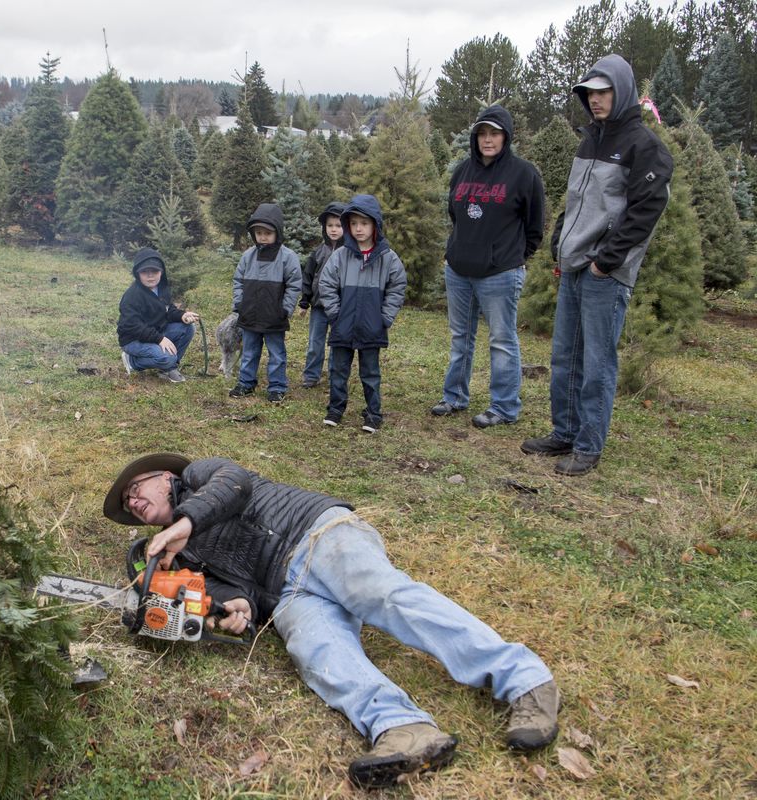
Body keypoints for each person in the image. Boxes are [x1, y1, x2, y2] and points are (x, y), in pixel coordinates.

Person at [104, 453, 560, 789]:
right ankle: (402, 728)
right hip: (287, 593)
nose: (134, 501)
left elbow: (235, 484)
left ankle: (524, 681)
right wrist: (236, 610)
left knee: (383, 595)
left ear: (165, 477)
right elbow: (237, 597)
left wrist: (186, 521)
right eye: (129, 504)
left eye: (136, 489)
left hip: (316, 534)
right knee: (314, 649)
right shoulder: (182, 558)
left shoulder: (200, 476)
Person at [522, 54, 672, 476]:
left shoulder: (644, 147)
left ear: (621, 91)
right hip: (573, 265)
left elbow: (645, 212)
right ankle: (565, 432)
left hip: (604, 273)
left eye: (603, 91)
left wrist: (606, 262)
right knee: (565, 356)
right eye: (589, 93)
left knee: (597, 362)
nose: (595, 101)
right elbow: (578, 200)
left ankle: (589, 445)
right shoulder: (590, 141)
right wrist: (560, 240)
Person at [433, 105, 545, 429]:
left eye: (494, 133)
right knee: (460, 337)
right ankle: (454, 396)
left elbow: (535, 225)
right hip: (459, 271)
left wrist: (512, 257)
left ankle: (504, 406)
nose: (487, 139)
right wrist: (457, 251)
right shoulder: (463, 171)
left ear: (506, 136)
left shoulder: (524, 174)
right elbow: (455, 215)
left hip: (500, 273)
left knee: (501, 339)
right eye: (482, 133)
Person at [317, 195, 406, 431]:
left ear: (375, 225)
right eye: (354, 223)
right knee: (338, 370)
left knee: (370, 372)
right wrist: (335, 313)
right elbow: (326, 284)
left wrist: (384, 317)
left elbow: (397, 287)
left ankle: (373, 414)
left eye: (364, 223)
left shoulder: (388, 258)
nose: (358, 228)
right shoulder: (340, 255)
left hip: (371, 327)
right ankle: (335, 410)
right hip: (342, 325)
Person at [228, 204, 302, 403]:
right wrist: (239, 303)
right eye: (259, 233)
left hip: (274, 317)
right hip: (249, 315)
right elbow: (238, 281)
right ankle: (246, 382)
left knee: (276, 353)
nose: (263, 237)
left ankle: (277, 386)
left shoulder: (288, 257)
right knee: (249, 351)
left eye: (267, 233)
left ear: (277, 232)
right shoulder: (248, 256)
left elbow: (294, 285)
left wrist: (285, 309)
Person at [117, 247, 200, 383]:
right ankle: (132, 361)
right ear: (137, 274)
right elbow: (132, 326)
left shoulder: (162, 288)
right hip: (133, 339)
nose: (150, 276)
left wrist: (182, 316)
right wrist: (159, 339)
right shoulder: (132, 296)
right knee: (167, 357)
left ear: (161, 272)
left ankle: (167, 368)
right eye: (145, 272)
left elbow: (169, 310)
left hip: (154, 332)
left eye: (154, 271)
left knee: (188, 328)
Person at [298, 201, 347, 389]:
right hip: (318, 307)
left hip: (340, 307)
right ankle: (311, 375)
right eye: (330, 226)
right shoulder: (318, 252)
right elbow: (308, 277)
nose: (333, 230)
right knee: (315, 343)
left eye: (338, 226)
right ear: (324, 227)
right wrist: (304, 302)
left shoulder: (349, 253)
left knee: (337, 343)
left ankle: (336, 374)